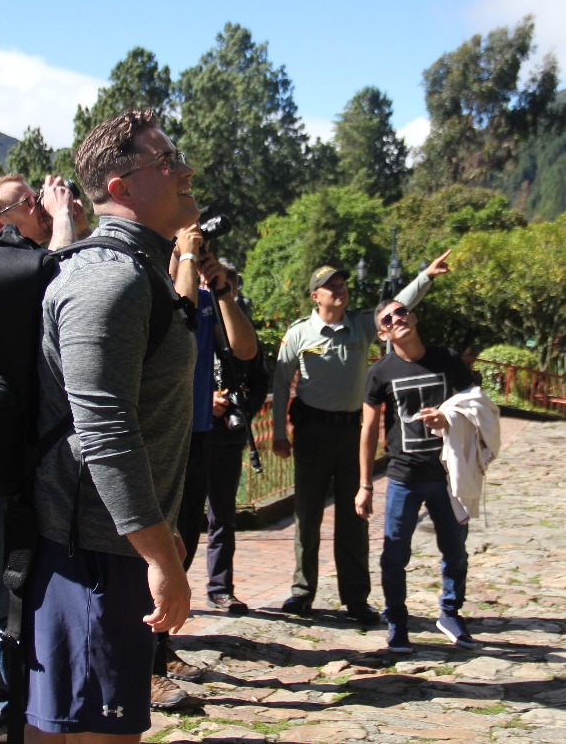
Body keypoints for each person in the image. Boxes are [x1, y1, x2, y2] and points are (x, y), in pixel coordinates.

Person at [25, 108, 198, 742]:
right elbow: (105, 430)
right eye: (166, 162)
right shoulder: (110, 280)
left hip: (112, 545)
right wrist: (156, 551)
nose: (185, 171)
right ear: (120, 187)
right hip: (94, 552)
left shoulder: (139, 271)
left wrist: (161, 530)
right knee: (90, 731)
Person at [0, 172, 89, 744]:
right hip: (3, 474)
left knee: (16, 601)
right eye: (26, 202)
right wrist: (62, 221)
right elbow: (53, 281)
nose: (41, 204)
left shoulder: (25, 261)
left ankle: (7, 717)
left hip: (33, 465)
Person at [271, 252, 452, 623]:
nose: (340, 291)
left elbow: (396, 309)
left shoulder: (360, 326)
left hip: (353, 432)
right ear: (315, 296)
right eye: (331, 287)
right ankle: (302, 592)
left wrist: (427, 277)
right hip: (312, 432)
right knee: (306, 514)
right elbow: (279, 381)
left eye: (342, 285)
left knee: (355, 516)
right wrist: (278, 433)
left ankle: (356, 598)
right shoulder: (298, 334)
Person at [152, 232, 258, 709]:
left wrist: (224, 293)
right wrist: (186, 262)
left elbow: (245, 350)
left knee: (184, 544)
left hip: (197, 433)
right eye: (190, 248)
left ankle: (157, 648)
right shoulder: (156, 279)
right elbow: (174, 318)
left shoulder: (211, 294)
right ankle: (143, 664)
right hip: (160, 436)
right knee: (155, 551)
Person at [357, 300, 481, 654]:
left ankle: (450, 613)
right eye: (387, 318)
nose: (397, 319)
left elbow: (474, 406)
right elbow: (368, 429)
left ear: (413, 317)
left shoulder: (446, 361)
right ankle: (396, 621)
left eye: (401, 312)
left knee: (455, 549)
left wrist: (449, 420)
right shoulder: (379, 373)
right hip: (403, 476)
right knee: (394, 554)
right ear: (382, 333)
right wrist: (364, 485)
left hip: (447, 475)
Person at [204, 262, 270, 615]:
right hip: (190, 436)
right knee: (177, 518)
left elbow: (260, 378)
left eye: (226, 286)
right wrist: (204, 400)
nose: (219, 291)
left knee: (223, 517)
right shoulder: (192, 319)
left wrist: (243, 413)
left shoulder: (242, 328)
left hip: (227, 436)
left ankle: (220, 587)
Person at [0, 172, 90, 251]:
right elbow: (60, 273)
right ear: (0, 225)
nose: (41, 206)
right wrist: (62, 214)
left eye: (38, 198)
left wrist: (82, 233)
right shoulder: (1, 270)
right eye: (29, 202)